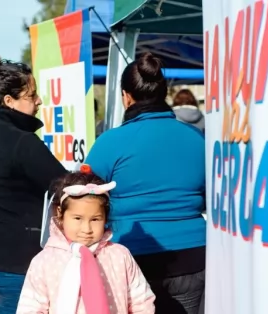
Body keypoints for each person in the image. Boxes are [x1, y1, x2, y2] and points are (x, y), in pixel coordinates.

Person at [85, 52, 205, 314]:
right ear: (164, 93)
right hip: (193, 256)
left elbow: (85, 198)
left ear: (126, 96)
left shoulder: (109, 142)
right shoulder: (197, 138)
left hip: (130, 258)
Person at [0, 51, 68, 313]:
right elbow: (65, 185)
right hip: (11, 260)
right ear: (9, 100)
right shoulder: (22, 141)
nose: (39, 101)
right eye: (32, 95)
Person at [17, 171, 155, 313]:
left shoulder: (120, 256)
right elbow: (30, 309)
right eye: (77, 218)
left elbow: (142, 301)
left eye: (95, 219)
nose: (86, 229)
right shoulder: (44, 262)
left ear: (105, 218)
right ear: (60, 214)